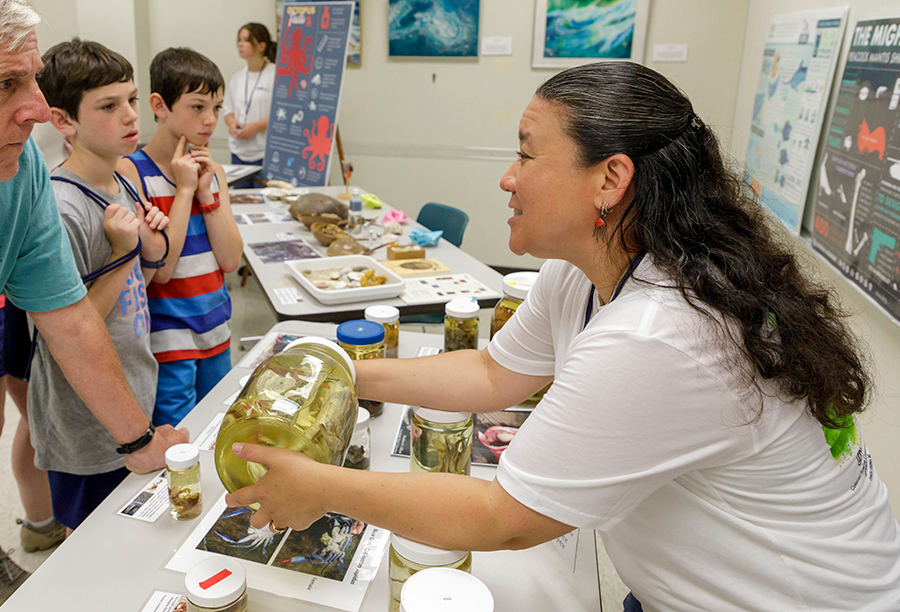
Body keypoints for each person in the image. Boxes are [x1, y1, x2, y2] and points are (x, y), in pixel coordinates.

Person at [225, 62, 900, 611]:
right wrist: (336, 372)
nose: (507, 177)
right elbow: (494, 374)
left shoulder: (661, 332)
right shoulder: (582, 271)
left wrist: (320, 487)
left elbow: (503, 517)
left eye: (526, 153)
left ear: (610, 178)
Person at [0, 0, 186, 599]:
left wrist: (137, 440)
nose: (30, 109)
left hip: (122, 392)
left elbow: (70, 314)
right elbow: (53, 333)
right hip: (78, 433)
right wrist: (126, 252)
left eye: (29, 80)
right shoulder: (64, 198)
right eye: (6, 84)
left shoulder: (27, 169)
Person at [34, 38, 172, 531]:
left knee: (132, 530)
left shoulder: (122, 178)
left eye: (132, 100)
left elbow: (147, 279)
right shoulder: (60, 208)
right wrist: (120, 254)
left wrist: (148, 246)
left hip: (132, 390)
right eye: (109, 106)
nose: (130, 116)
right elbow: (68, 329)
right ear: (64, 121)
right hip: (85, 424)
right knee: (89, 542)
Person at [118, 47, 242, 428]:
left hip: (216, 327)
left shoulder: (213, 171)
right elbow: (164, 269)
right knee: (180, 438)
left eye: (217, 108)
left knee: (218, 428)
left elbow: (231, 260)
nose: (210, 120)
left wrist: (207, 193)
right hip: (168, 336)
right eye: (198, 107)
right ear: (159, 105)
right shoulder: (132, 170)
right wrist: (185, 192)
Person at [0, 297, 65, 552]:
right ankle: (41, 523)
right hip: (14, 299)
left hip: (16, 303)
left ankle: (41, 524)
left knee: (36, 413)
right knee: (36, 413)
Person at [222, 22, 275, 189]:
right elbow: (228, 109)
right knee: (240, 203)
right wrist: (231, 123)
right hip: (239, 153)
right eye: (239, 39)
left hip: (265, 154)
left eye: (246, 40)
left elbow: (283, 115)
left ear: (261, 46)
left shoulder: (276, 74)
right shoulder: (237, 78)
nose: (240, 44)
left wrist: (257, 127)